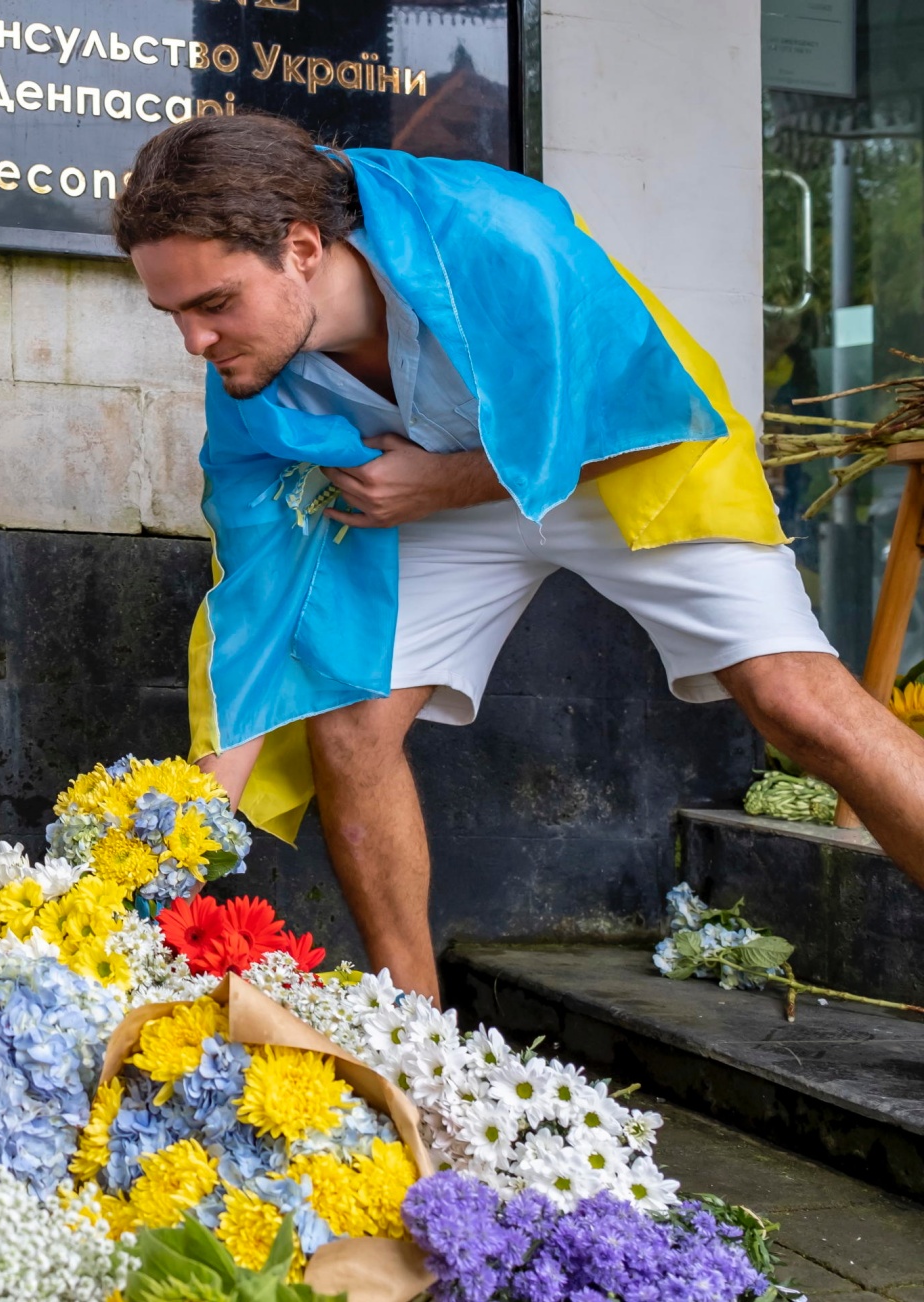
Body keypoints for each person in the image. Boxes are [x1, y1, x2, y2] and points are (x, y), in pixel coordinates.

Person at [112, 115, 924, 999]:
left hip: (621, 456)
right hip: (436, 490)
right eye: (174, 314)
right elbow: (257, 613)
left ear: (302, 247)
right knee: (347, 726)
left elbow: (644, 419)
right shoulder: (247, 376)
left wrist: (441, 486)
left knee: (794, 701)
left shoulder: (497, 235)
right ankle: (416, 1047)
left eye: (213, 304)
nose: (194, 342)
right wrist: (167, 842)